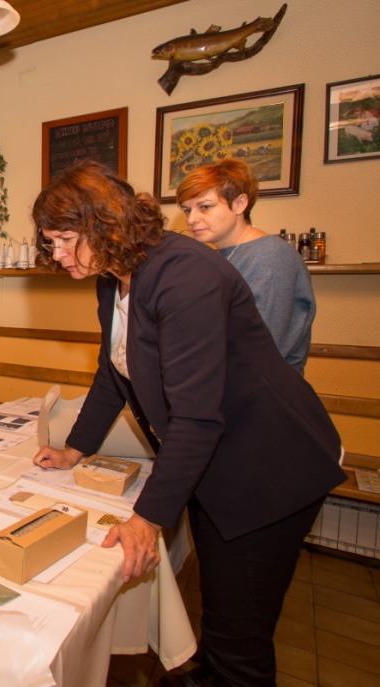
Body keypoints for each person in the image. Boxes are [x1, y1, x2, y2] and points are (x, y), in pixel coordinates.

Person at [30, 161, 343, 687]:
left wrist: (147, 519)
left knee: (243, 629)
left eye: (65, 240)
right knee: (222, 602)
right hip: (219, 460)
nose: (57, 254)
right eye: (51, 242)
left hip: (267, 465)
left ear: (104, 225)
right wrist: (73, 450)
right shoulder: (113, 279)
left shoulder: (185, 273)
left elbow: (197, 414)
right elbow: (114, 371)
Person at [177, 158, 315, 373]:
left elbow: (261, 346)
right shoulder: (217, 257)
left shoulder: (271, 255)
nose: (192, 219)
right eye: (187, 210)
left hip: (263, 387)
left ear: (240, 204)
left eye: (204, 207)